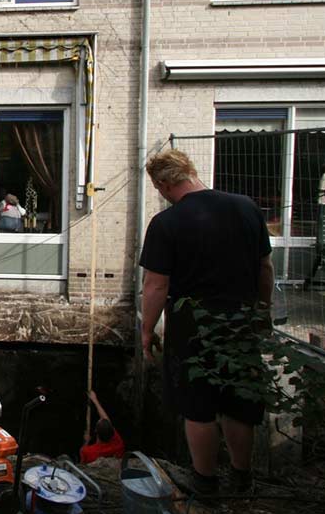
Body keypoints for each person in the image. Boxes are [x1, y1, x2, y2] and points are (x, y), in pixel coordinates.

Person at [139, 149, 274, 496]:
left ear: (165, 183)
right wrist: (262, 312)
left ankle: (205, 480)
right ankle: (242, 477)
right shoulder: (246, 208)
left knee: (198, 406)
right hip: (241, 321)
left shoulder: (167, 223)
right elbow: (265, 268)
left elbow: (156, 285)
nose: (162, 195)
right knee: (239, 403)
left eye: (159, 188)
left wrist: (146, 330)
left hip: (191, 326)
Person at [79, 390, 125, 464]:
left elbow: (81, 465)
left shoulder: (87, 451)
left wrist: (86, 442)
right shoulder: (119, 443)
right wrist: (95, 400)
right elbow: (106, 420)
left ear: (96, 432)